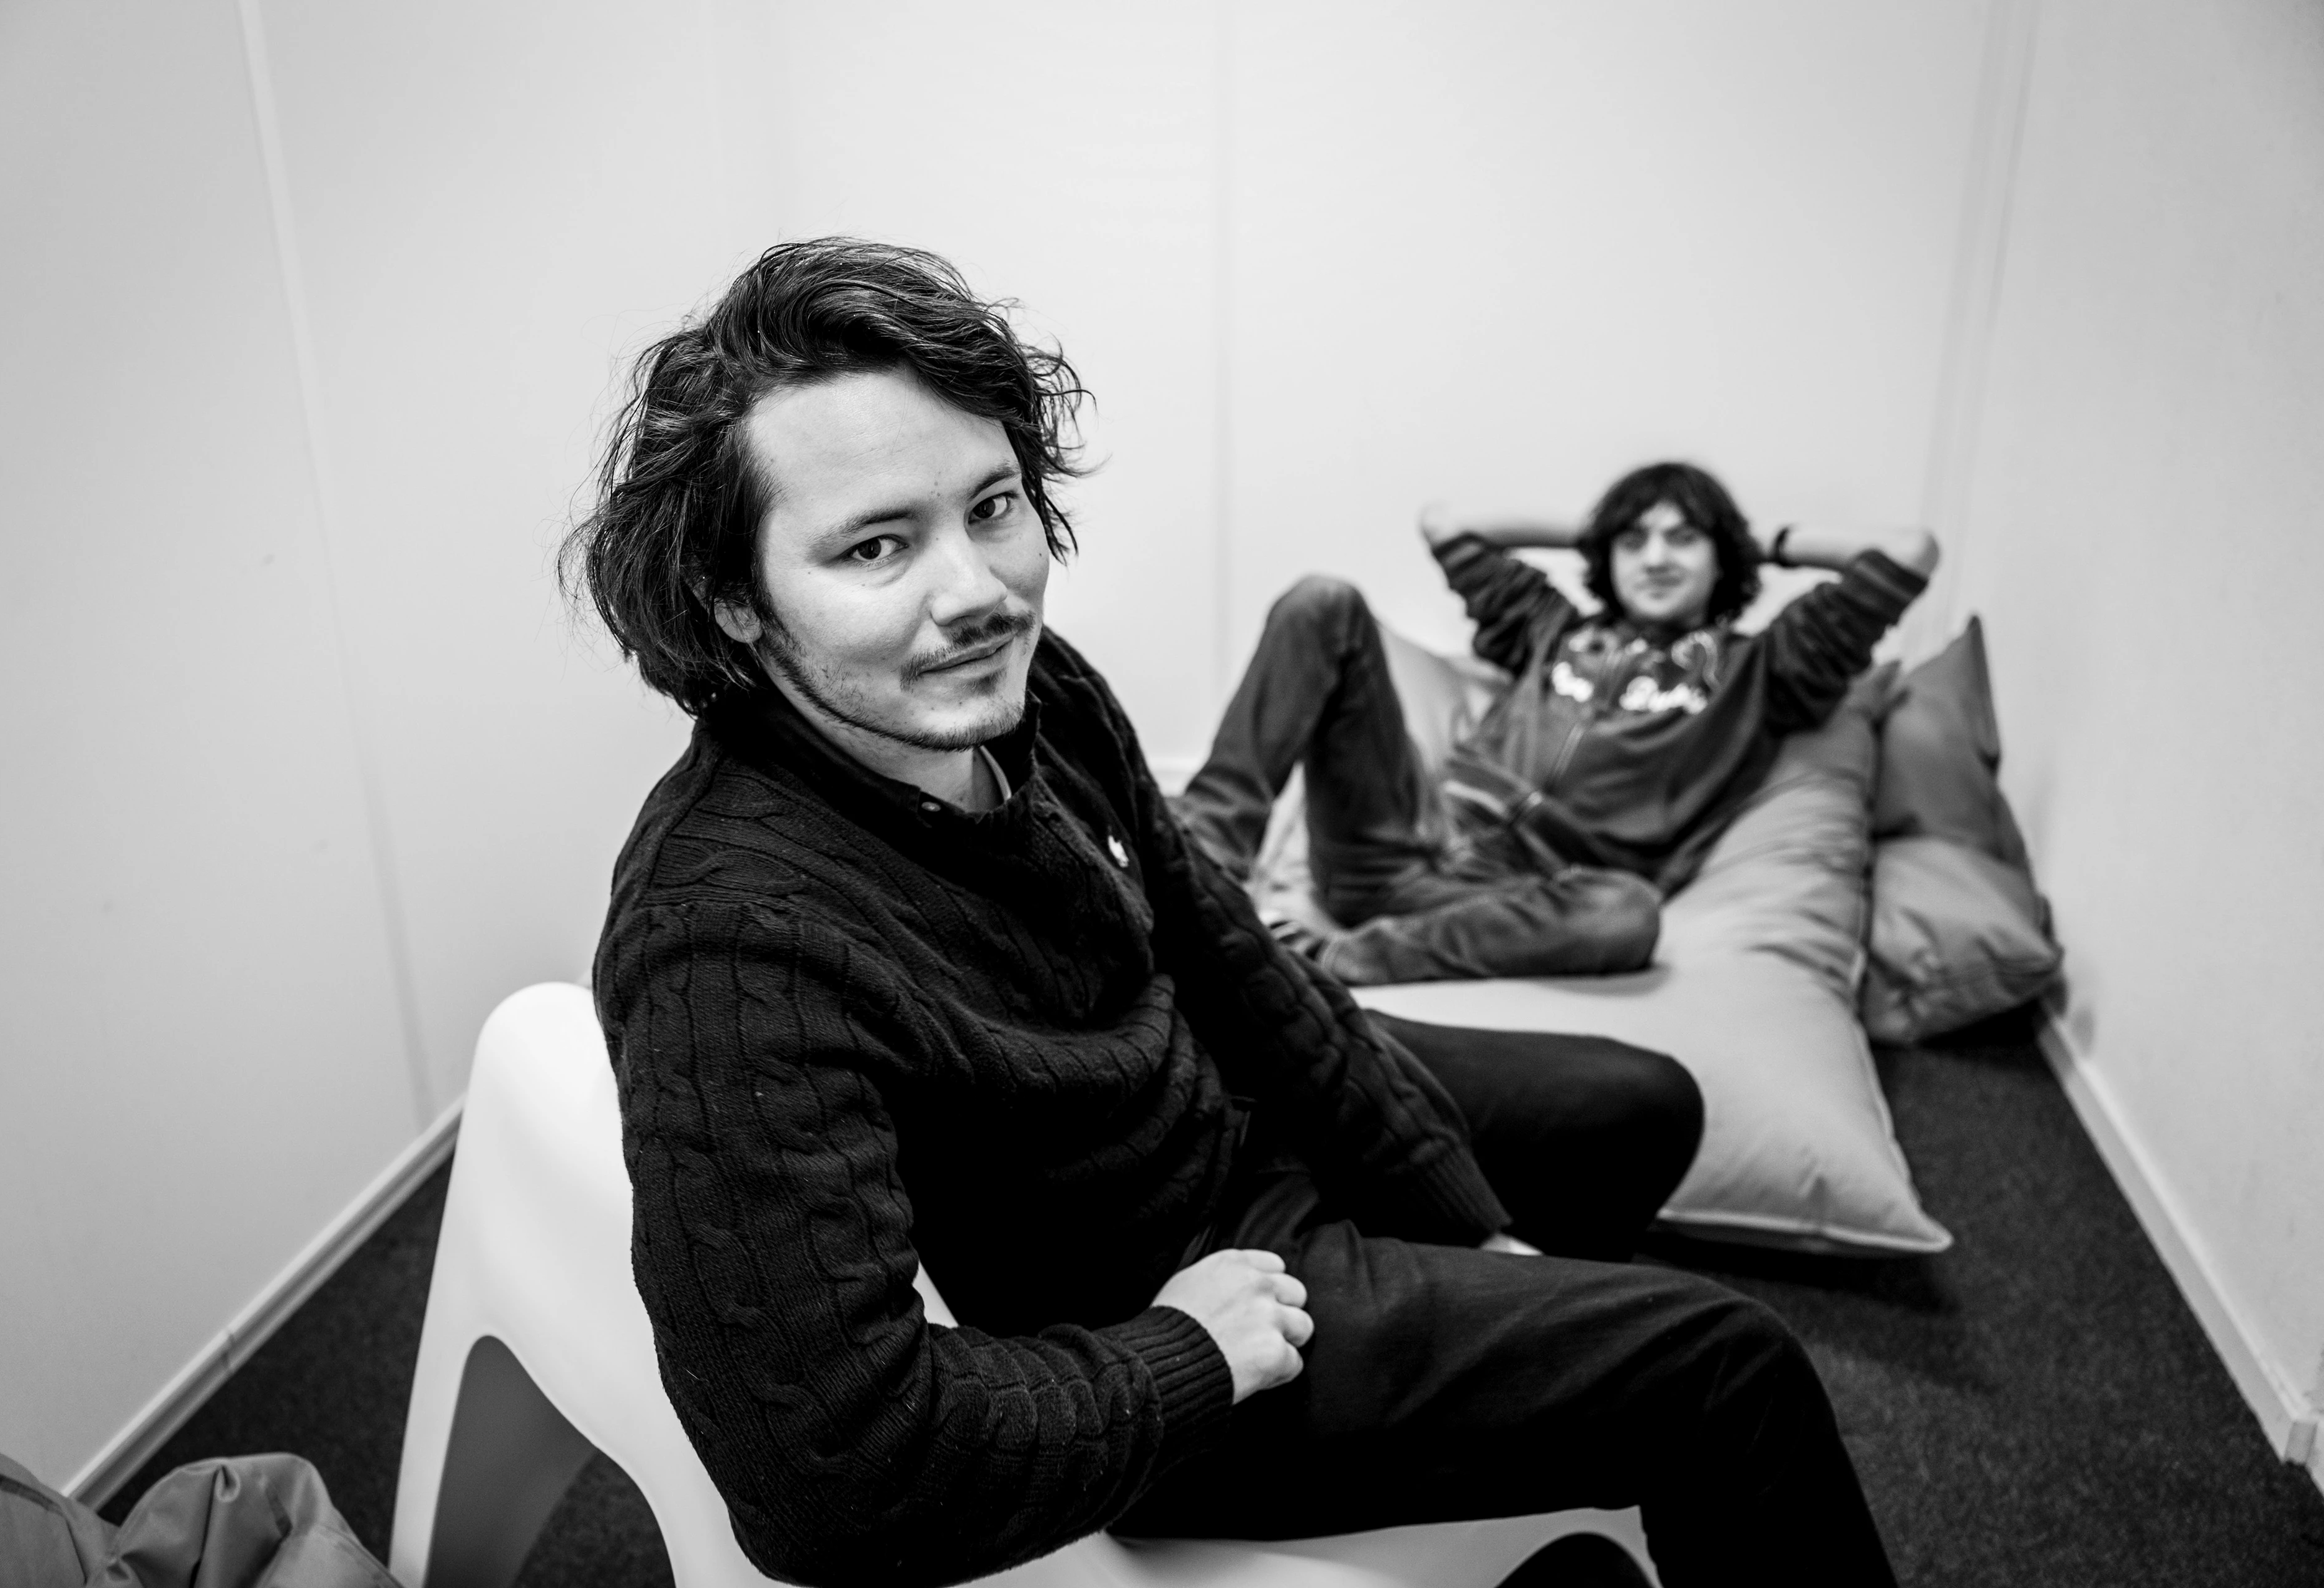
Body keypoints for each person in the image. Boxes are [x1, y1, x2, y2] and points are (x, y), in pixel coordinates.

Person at [570, 237, 1898, 1587]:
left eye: (992, 507)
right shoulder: (731, 941)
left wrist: (1463, 1224)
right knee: (1732, 1370)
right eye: (876, 546)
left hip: (1228, 1121)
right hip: (1190, 1309)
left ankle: (1527, 1462)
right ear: (734, 600)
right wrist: (1185, 1360)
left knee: (1644, 1105)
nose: (977, 594)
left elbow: (1233, 955)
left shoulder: (1033, 694)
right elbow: (829, 1479)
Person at [1175, 465, 1939, 984]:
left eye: (1684, 538)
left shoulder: (1764, 668)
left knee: (1626, 916)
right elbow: (1446, 523)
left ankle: (1327, 961)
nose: (1656, 557)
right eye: (1634, 541)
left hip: (1508, 898)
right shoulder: (1551, 627)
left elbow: (1911, 552)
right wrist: (1610, 526)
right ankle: (1195, 868)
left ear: (1723, 557)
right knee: (1324, 601)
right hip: (1399, 834)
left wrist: (1752, 538)